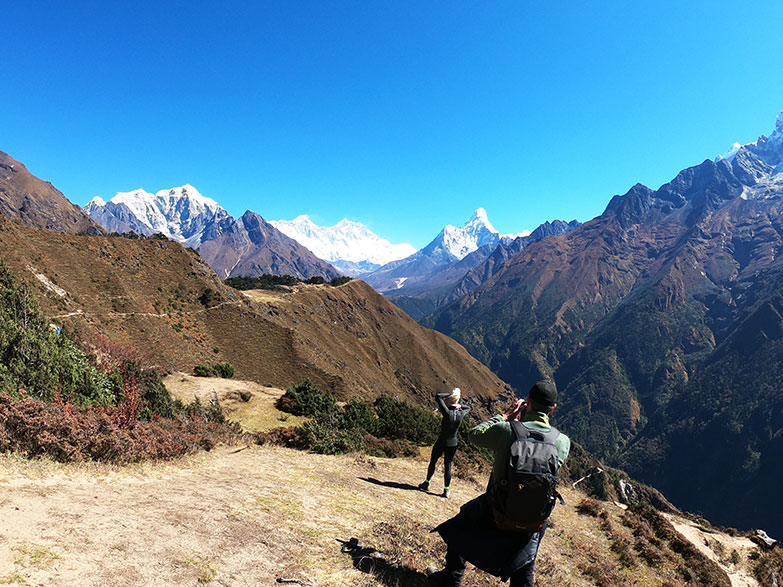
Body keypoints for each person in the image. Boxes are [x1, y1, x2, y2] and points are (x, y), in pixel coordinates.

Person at [428, 380, 570, 587]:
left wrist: (504, 416)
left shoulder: (507, 430)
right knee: (526, 559)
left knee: (461, 524)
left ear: (527, 402)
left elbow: (474, 435)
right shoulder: (562, 442)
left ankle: (451, 579)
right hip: (534, 517)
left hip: (496, 507)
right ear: (553, 409)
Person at [419, 387, 471, 498]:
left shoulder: (446, 412)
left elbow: (438, 396)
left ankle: (427, 482)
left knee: (433, 462)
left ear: (450, 401)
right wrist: (459, 404)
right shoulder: (461, 414)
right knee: (448, 465)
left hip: (442, 441)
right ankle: (446, 490)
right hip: (453, 443)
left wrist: (450, 395)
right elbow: (468, 407)